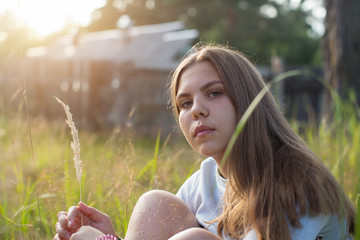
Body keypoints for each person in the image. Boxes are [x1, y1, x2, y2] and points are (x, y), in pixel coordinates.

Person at [54, 43, 355, 240]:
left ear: (249, 100)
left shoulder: (296, 180)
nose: (195, 109)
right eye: (184, 104)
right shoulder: (206, 182)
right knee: (154, 204)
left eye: (214, 93)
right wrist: (111, 237)